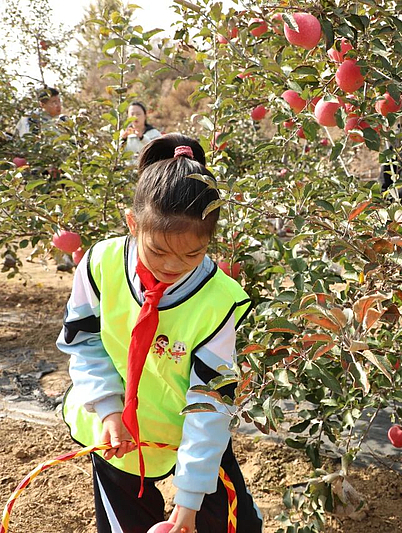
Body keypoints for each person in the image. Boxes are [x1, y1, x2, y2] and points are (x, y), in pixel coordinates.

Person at [58, 133, 262, 533]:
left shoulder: (217, 301)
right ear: (133, 224)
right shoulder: (100, 264)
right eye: (158, 250)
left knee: (234, 524)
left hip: (186, 426)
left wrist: (189, 499)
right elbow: (84, 341)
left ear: (209, 240)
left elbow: (210, 400)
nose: (172, 265)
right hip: (115, 427)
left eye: (192, 254)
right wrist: (108, 408)